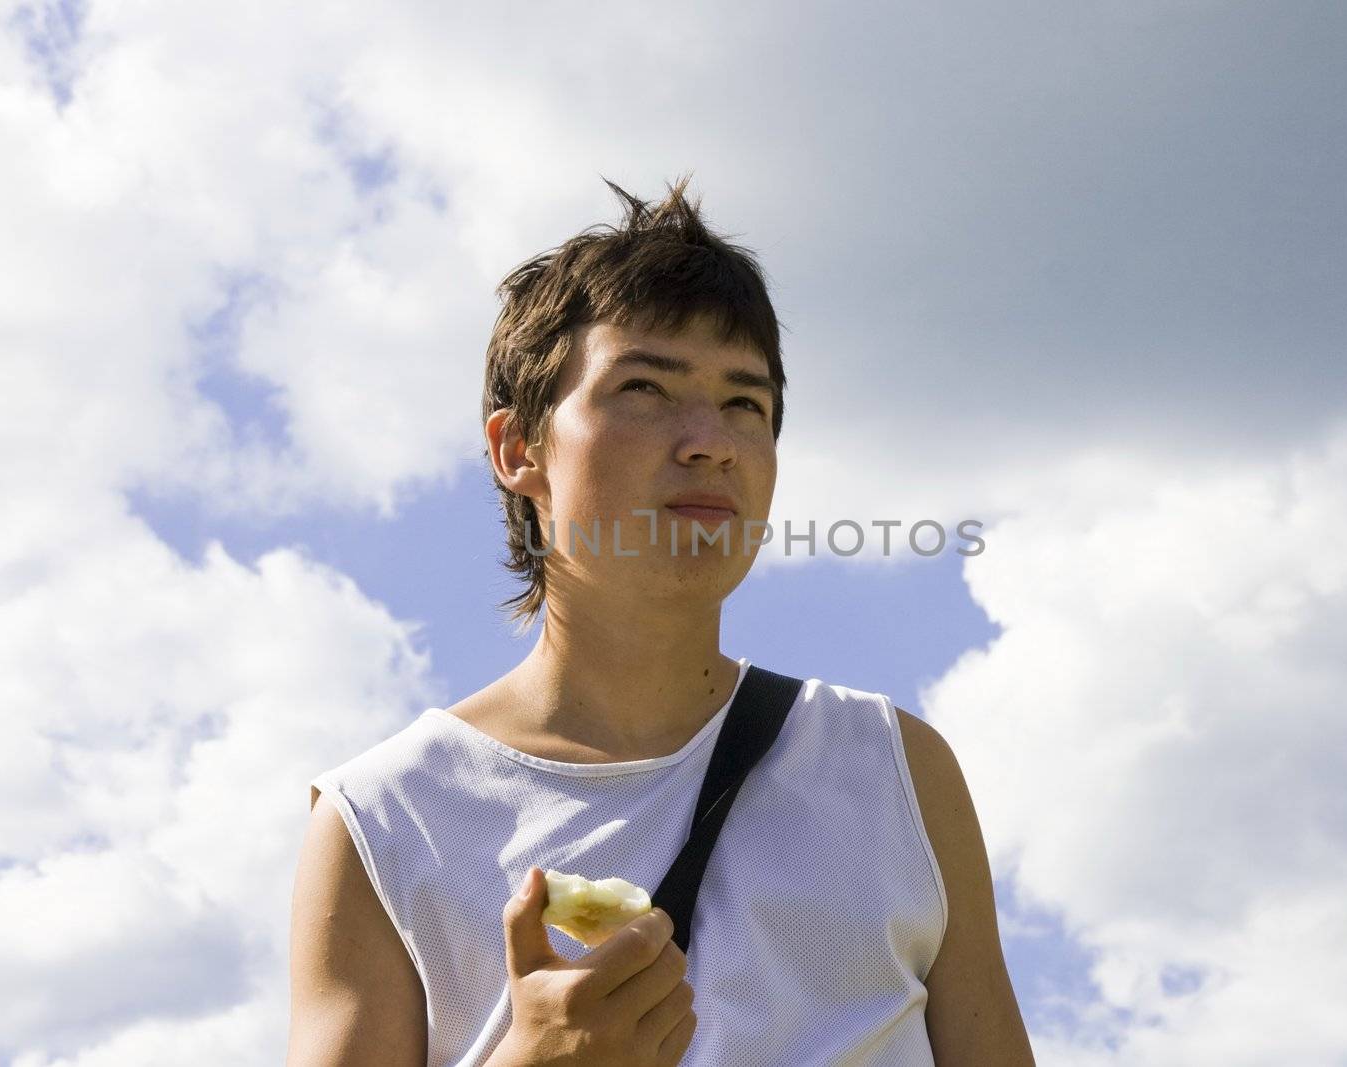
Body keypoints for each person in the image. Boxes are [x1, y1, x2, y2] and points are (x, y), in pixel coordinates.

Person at [286, 175, 1037, 1066]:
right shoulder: (384, 819)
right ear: (518, 449)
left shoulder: (896, 768)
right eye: (645, 387)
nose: (710, 440)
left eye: (744, 404)